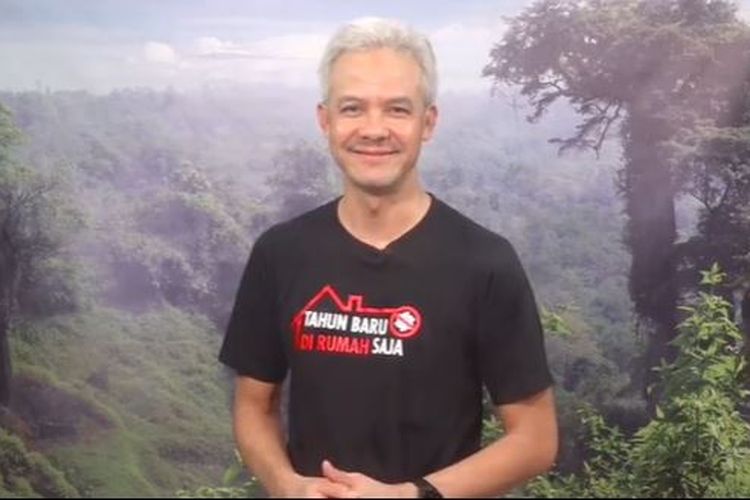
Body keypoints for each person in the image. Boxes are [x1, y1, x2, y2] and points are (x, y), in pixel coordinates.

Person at [219, 17, 558, 498]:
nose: (374, 130)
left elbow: (535, 439)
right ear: (326, 121)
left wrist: (408, 494)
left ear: (428, 122)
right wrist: (287, 485)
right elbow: (255, 405)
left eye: (397, 109)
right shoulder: (281, 253)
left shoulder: (484, 263)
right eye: (352, 108)